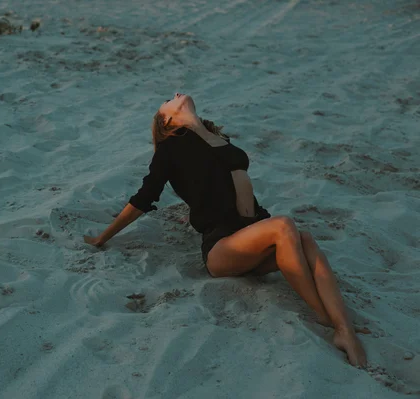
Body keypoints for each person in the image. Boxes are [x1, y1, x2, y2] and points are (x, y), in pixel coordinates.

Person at [83, 92, 367, 367]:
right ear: (166, 122)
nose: (176, 94)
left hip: (253, 234)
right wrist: (103, 237)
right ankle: (323, 317)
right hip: (223, 246)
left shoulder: (218, 139)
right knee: (283, 225)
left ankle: (344, 331)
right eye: (168, 100)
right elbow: (144, 198)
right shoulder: (169, 150)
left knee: (305, 239)